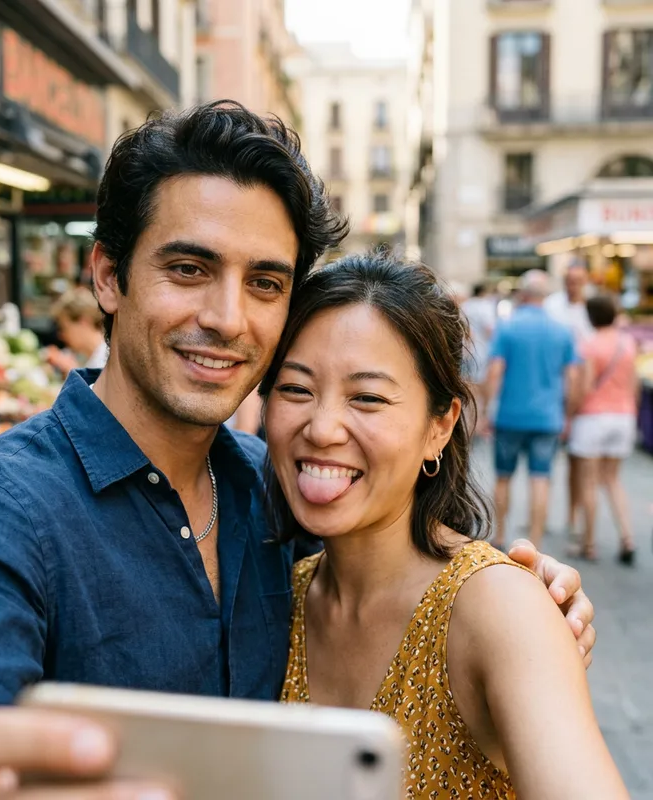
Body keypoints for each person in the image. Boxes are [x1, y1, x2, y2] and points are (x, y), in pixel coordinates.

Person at [0, 104, 596, 800]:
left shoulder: (270, 487)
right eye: (189, 269)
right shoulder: (0, 509)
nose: (228, 318)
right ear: (108, 277)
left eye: (265, 283)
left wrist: (520, 600)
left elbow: (398, 563)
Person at [264, 253, 627, 800]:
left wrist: (530, 617)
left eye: (367, 398)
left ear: (440, 426)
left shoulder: (499, 606)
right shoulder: (285, 592)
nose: (322, 428)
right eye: (296, 389)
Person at [485, 269, 580, 548]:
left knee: (503, 477)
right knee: (541, 478)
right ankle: (533, 543)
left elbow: (495, 371)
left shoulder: (508, 327)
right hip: (548, 417)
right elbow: (573, 377)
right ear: (545, 296)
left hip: (510, 416)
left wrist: (487, 409)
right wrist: (568, 414)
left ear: (523, 294)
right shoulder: (561, 331)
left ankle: (500, 536)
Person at [569, 294, 638, 564]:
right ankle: (627, 537)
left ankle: (588, 543)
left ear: (591, 317)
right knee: (612, 479)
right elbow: (633, 385)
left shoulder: (589, 345)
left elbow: (584, 387)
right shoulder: (628, 343)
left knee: (588, 481)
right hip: (624, 416)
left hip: (593, 418)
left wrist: (570, 413)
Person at [544, 262, 594, 544]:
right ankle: (545, 513)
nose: (572, 284)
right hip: (554, 393)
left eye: (577, 280)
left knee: (577, 462)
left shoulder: (591, 309)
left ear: (585, 281)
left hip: (583, 397)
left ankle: (572, 516)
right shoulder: (552, 306)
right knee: (546, 459)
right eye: (569, 279)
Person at [47, 286, 110, 374]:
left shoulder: (106, 360)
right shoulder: (96, 357)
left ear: (83, 322)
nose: (61, 335)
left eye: (64, 328)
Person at [461, 282, 496, 433]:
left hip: (466, 351)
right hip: (482, 351)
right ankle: (481, 419)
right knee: (482, 384)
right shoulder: (485, 306)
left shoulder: (466, 306)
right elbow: (490, 329)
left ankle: (471, 421)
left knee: (470, 385)